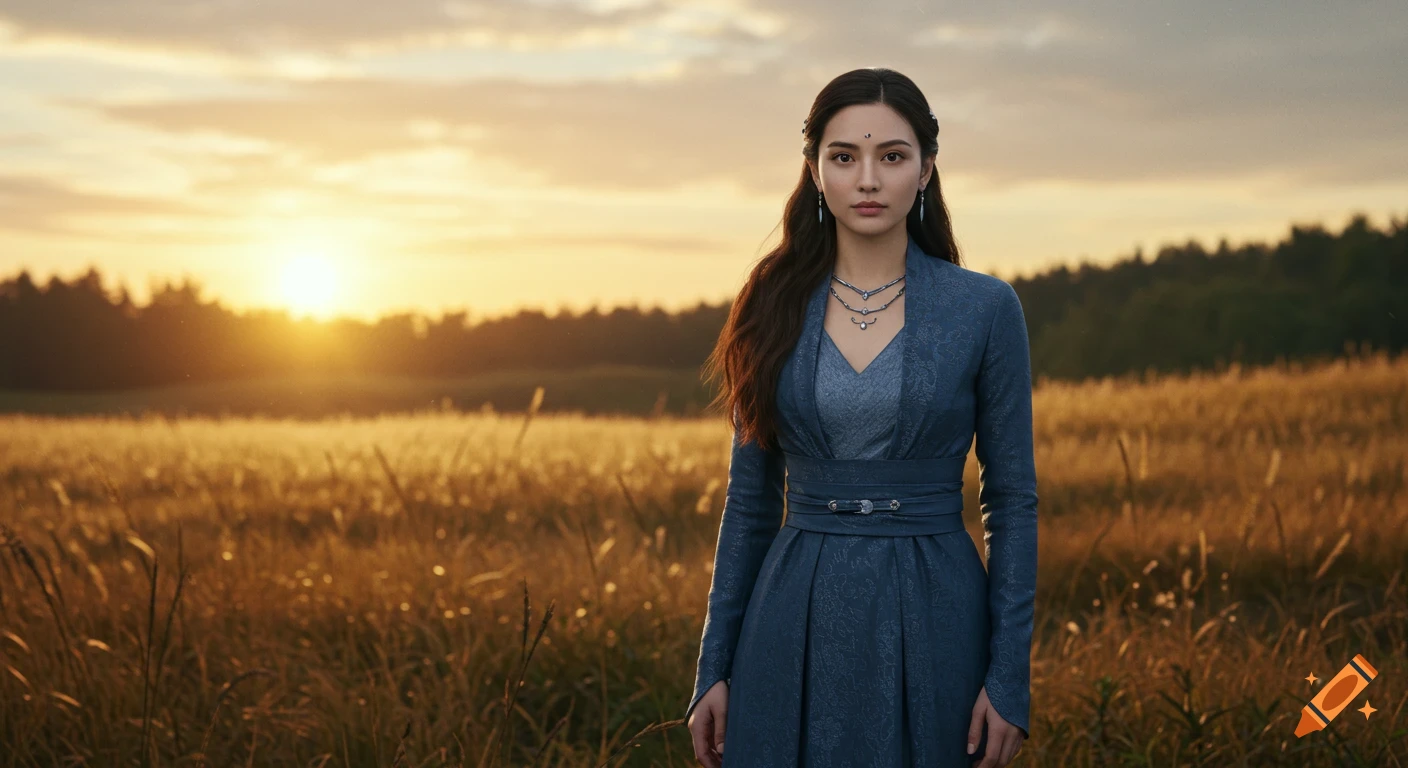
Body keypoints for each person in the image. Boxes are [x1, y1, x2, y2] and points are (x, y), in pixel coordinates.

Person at [685, 67, 1038, 768]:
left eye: (892, 156)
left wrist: (1007, 680)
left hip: (937, 608)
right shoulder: (769, 301)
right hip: (790, 614)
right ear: (816, 172)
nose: (868, 179)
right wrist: (713, 668)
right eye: (844, 157)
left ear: (927, 168)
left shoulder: (986, 308)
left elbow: (1012, 502)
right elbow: (750, 502)